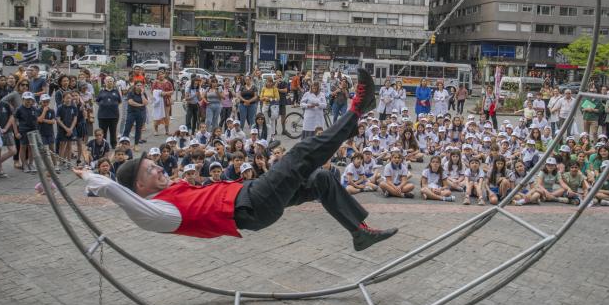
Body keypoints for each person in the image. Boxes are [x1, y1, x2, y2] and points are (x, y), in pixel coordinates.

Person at [75, 69, 397, 252]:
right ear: (138, 187)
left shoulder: (165, 198)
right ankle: (357, 108)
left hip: (252, 196)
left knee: (322, 180)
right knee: (301, 154)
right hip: (251, 203)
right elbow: (125, 199)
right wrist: (96, 182)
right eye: (150, 169)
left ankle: (359, 231)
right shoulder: (158, 213)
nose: (159, 167)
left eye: (153, 164)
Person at [95, 77, 122, 148]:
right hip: (102, 116)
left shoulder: (116, 91)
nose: (109, 82)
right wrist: (104, 105)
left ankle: (114, 145)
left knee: (113, 132)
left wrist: (112, 106)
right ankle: (103, 146)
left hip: (114, 116)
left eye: (111, 81)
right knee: (103, 132)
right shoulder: (101, 91)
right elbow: (97, 101)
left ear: (113, 83)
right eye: (108, 81)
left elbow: (119, 101)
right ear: (105, 82)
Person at [123, 81, 148, 147]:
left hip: (140, 113)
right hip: (131, 113)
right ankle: (124, 144)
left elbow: (145, 103)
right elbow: (130, 102)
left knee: (138, 129)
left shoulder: (143, 93)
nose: (139, 87)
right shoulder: (131, 93)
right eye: (138, 85)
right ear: (135, 86)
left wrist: (142, 94)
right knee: (127, 128)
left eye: (141, 85)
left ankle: (136, 144)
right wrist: (140, 105)